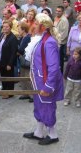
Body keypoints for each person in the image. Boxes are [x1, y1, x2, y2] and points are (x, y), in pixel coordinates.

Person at [23, 13, 64, 145]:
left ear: (42, 26)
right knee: (39, 106)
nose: (33, 25)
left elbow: (53, 67)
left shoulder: (49, 42)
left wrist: (48, 86)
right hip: (38, 81)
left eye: (35, 23)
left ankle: (53, 135)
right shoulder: (42, 39)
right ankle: (39, 132)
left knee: (47, 107)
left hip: (45, 83)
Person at [0, 20, 18, 99]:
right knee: (3, 77)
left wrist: (10, 64)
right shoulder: (2, 35)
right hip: (1, 60)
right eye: (4, 27)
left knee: (9, 77)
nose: (5, 28)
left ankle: (9, 93)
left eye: (7, 27)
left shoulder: (13, 38)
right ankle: (5, 91)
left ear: (10, 28)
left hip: (8, 62)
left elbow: (13, 52)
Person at [17, 22, 32, 101]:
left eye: (19, 29)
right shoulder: (23, 37)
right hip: (22, 60)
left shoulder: (27, 38)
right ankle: (25, 93)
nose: (18, 31)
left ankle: (32, 95)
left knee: (27, 78)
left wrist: (17, 52)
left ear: (23, 30)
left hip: (26, 60)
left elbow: (21, 50)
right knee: (23, 77)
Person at [54, 6, 69, 73]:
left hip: (60, 43)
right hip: (55, 41)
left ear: (62, 12)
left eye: (59, 11)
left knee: (60, 59)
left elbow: (64, 34)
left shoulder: (64, 20)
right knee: (55, 58)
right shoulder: (56, 18)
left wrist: (58, 42)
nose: (57, 12)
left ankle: (60, 73)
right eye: (56, 10)